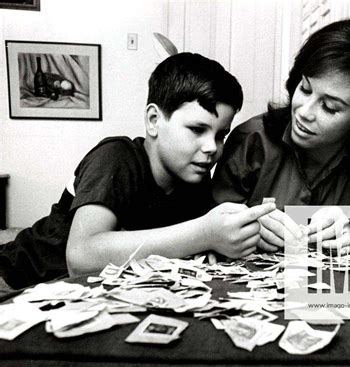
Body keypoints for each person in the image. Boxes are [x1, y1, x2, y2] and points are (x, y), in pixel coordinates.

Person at [0, 52, 276, 290]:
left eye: (220, 135)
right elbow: (80, 257)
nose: (211, 148)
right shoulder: (115, 157)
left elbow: (180, 243)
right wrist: (203, 233)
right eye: (197, 129)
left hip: (94, 293)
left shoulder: (195, 177)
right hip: (17, 282)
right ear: (154, 120)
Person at [212, 18, 350, 253]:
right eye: (304, 89)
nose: (303, 112)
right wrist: (251, 228)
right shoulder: (251, 139)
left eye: (329, 107)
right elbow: (210, 221)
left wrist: (349, 234)